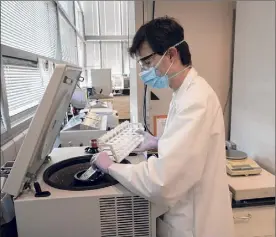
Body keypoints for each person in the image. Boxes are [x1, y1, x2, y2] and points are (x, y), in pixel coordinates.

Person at [93, 16, 235, 237]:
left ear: (171, 54)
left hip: (194, 223)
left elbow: (162, 181)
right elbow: (191, 147)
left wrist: (111, 167)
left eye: (148, 63)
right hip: (189, 211)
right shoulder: (186, 91)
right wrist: (160, 143)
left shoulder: (194, 100)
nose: (145, 71)